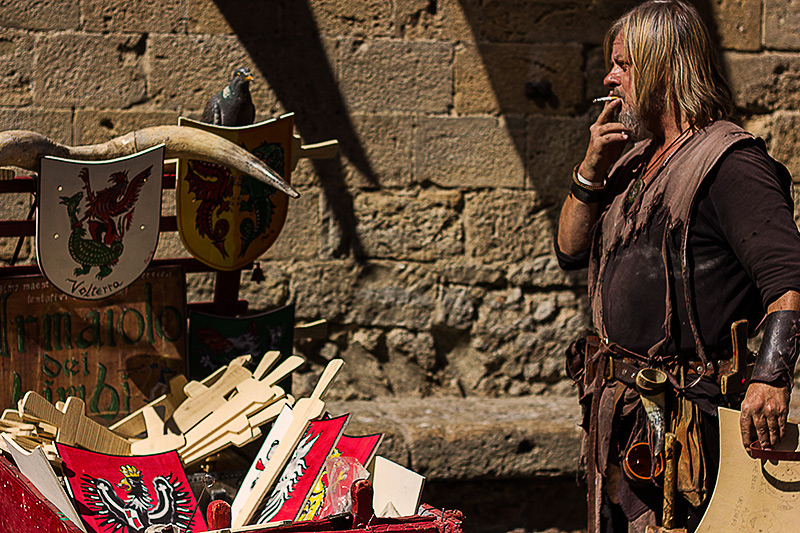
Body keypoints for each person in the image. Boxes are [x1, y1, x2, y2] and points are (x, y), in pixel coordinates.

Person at [555, 1, 800, 531]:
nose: (609, 77)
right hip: (623, 418)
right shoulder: (632, 161)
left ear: (662, 67)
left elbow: (788, 278)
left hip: (690, 425)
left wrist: (771, 378)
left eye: (623, 64)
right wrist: (590, 170)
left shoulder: (732, 164)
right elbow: (570, 252)